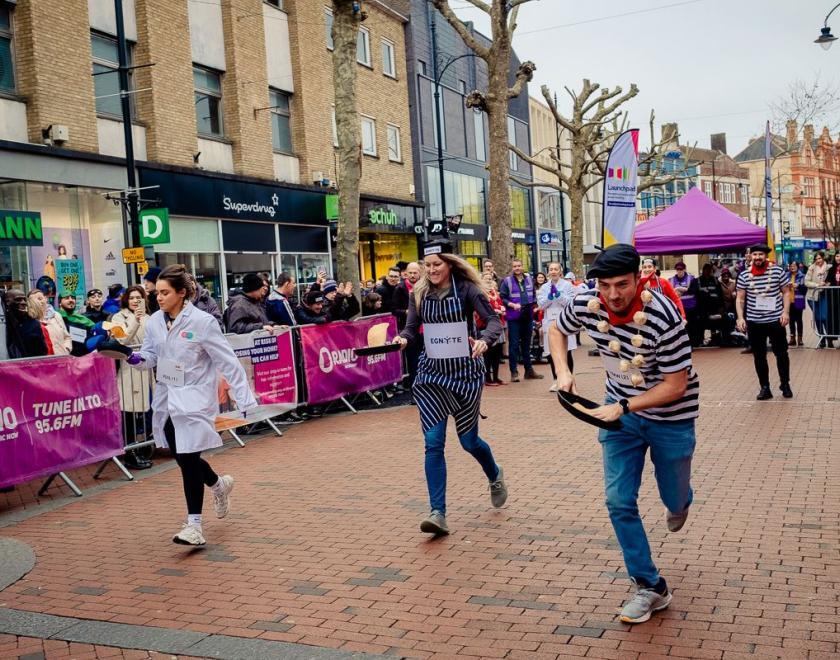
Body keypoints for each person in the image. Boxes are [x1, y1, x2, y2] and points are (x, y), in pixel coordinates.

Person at [549, 243, 699, 625]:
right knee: (618, 500)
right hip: (619, 418)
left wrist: (627, 405)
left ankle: (681, 499)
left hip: (671, 416)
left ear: (639, 279)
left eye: (622, 285)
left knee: (675, 498)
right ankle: (650, 586)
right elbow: (555, 329)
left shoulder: (663, 316)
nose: (612, 295)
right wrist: (563, 372)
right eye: (604, 286)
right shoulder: (586, 302)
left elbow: (676, 385)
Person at [124, 264, 258, 546]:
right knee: (185, 458)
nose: (157, 297)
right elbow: (150, 355)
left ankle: (194, 526)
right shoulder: (155, 323)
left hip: (195, 399)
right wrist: (132, 358)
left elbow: (227, 361)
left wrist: (245, 399)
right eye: (156, 292)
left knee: (187, 460)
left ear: (181, 293)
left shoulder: (202, 322)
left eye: (164, 292)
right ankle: (219, 485)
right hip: (167, 398)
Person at [393, 242, 507, 535]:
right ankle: (438, 513)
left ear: (450, 265)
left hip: (465, 373)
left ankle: (494, 474)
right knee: (433, 443)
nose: (431, 271)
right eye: (427, 265)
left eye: (436, 265)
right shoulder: (417, 292)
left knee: (469, 443)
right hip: (431, 375)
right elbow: (410, 327)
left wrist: (485, 340)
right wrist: (403, 339)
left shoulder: (467, 290)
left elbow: (493, 321)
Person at [736, 244, 792, 400]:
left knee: (781, 354)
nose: (757, 257)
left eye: (760, 254)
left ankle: (785, 384)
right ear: (750, 256)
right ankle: (765, 387)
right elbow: (740, 298)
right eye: (755, 255)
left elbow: (786, 292)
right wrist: (740, 317)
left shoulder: (777, 271)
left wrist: (785, 312)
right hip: (754, 321)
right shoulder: (744, 275)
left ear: (765, 256)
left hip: (775, 320)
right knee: (759, 356)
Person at [111, 285, 154, 470]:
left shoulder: (150, 318)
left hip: (146, 369)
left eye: (139, 297)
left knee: (144, 411)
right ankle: (129, 453)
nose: (135, 301)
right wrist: (135, 321)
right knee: (128, 412)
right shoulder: (118, 317)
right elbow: (122, 340)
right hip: (128, 371)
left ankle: (142, 447)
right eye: (132, 298)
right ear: (126, 300)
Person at [499, 259, 543, 382]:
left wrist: (535, 306)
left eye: (519, 265)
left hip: (527, 315)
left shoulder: (529, 279)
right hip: (514, 316)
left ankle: (529, 371)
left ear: (522, 266)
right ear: (512, 268)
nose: (517, 268)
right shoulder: (506, 281)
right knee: (513, 345)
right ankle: (514, 372)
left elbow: (533, 294)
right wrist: (512, 305)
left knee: (526, 344)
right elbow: (502, 298)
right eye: (515, 266)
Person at [537, 262, 576, 391]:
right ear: (548, 271)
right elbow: (541, 305)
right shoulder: (544, 287)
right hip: (550, 321)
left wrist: (559, 296)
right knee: (551, 352)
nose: (553, 271)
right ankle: (556, 379)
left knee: (567, 351)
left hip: (564, 321)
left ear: (560, 271)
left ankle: (568, 378)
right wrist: (549, 297)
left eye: (555, 269)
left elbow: (571, 303)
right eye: (551, 269)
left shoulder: (567, 285)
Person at [4, 289, 49, 358]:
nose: (23, 302)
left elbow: (42, 351)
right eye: (18, 299)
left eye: (24, 300)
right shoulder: (4, 325)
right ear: (7, 302)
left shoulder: (33, 324)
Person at [479, 274, 506, 385]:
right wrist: (496, 311)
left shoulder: (495, 293)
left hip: (498, 324)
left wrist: (502, 309)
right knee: (488, 353)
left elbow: (500, 305)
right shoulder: (480, 293)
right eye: (486, 279)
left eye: (490, 279)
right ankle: (487, 378)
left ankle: (496, 376)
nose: (489, 281)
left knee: (497, 352)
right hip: (486, 326)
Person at [691, 263, 726, 346]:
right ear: (703, 270)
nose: (708, 271)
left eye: (709, 270)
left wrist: (721, 307)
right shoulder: (696, 281)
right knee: (700, 325)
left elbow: (720, 295)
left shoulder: (715, 281)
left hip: (714, 308)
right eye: (706, 269)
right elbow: (692, 294)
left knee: (715, 325)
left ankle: (714, 340)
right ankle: (699, 341)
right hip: (701, 309)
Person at [28, 289, 70, 355]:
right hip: (45, 361)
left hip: (62, 358)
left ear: (46, 299)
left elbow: (67, 337)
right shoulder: (31, 320)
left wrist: (66, 349)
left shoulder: (56, 315)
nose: (39, 302)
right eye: (34, 301)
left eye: (40, 298)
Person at [805, 252, 831, 348]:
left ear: (823, 258)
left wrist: (827, 284)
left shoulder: (829, 267)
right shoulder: (811, 268)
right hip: (812, 296)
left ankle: (829, 337)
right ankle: (822, 338)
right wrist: (817, 285)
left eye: (819, 258)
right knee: (818, 318)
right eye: (816, 259)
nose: (818, 260)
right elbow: (806, 282)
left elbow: (831, 280)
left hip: (824, 295)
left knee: (824, 317)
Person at [669, 262, 697, 345]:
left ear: (684, 269)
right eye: (678, 269)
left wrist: (683, 290)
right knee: (679, 327)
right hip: (677, 308)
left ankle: (691, 344)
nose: (679, 271)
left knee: (690, 327)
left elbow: (694, 290)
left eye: (681, 269)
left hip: (690, 307)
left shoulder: (691, 278)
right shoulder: (671, 280)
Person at [392, 262, 421, 331]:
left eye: (415, 273)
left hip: (422, 325)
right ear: (406, 273)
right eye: (410, 273)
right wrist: (406, 312)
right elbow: (394, 310)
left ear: (419, 273)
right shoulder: (399, 288)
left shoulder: (424, 286)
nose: (412, 275)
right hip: (406, 326)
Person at [786, 262, 807, 347]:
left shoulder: (802, 276)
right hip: (789, 300)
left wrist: (798, 286)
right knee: (790, 320)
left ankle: (800, 338)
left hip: (798, 299)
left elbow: (804, 289)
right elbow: (782, 286)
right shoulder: (786, 275)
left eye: (794, 266)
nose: (792, 267)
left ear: (798, 267)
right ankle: (792, 338)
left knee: (798, 319)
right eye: (791, 266)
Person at [825, 252, 840, 344]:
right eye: (837, 256)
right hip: (833, 298)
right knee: (832, 317)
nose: (839, 258)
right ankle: (830, 339)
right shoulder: (831, 269)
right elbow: (828, 281)